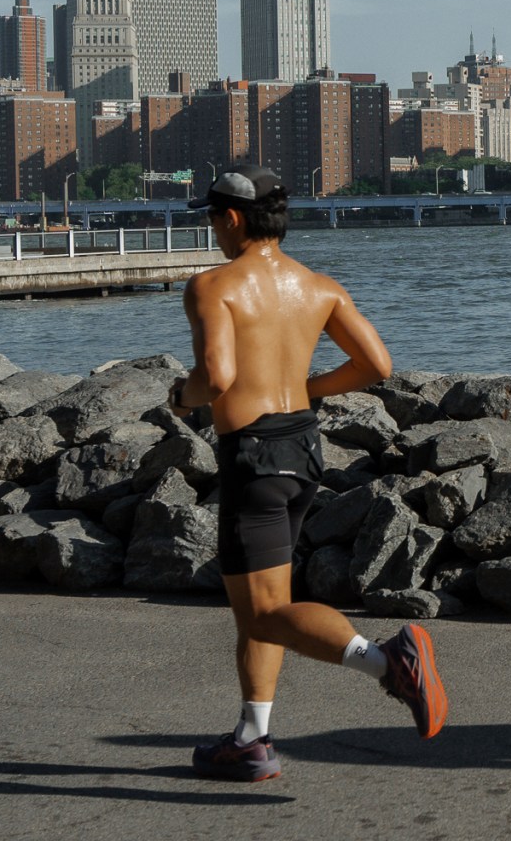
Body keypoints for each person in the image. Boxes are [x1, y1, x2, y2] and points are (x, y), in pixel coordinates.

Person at [175, 166, 448, 782]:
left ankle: (390, 662)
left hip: (252, 457)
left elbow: (215, 378)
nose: (213, 230)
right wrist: (305, 386)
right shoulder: (316, 286)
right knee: (267, 602)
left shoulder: (212, 286)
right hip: (302, 449)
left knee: (262, 614)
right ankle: (252, 737)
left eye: (213, 218)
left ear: (234, 218)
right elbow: (376, 363)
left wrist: (180, 397)